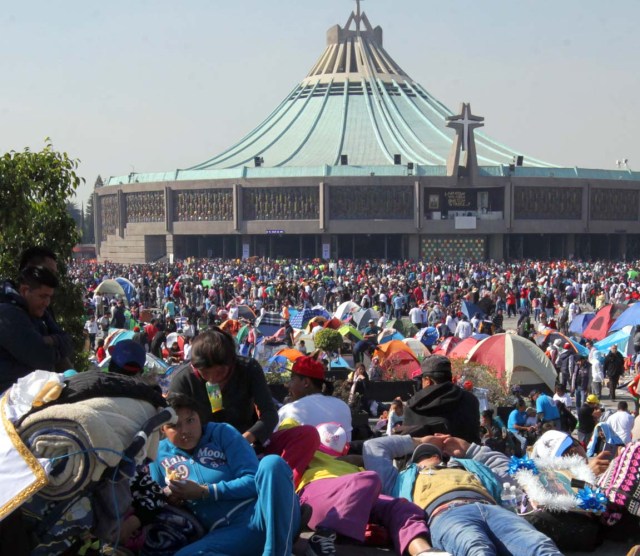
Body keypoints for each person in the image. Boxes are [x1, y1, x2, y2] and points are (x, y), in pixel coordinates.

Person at [149, 393, 300, 556]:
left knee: (272, 463)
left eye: (190, 420)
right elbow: (156, 500)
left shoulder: (222, 433)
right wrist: (172, 499)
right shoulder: (157, 454)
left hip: (266, 514)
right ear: (163, 430)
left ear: (199, 417)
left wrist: (205, 491)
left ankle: (278, 552)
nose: (185, 430)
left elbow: (253, 480)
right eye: (174, 425)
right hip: (226, 534)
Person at [362, 434, 563, 556]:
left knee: (541, 547)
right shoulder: (398, 480)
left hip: (493, 509)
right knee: (477, 550)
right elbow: (373, 447)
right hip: (446, 514)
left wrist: (469, 449)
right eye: (422, 455)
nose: (432, 456)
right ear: (412, 463)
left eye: (435, 453)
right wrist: (418, 441)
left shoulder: (470, 467)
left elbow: (508, 471)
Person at [169, 327, 278, 447]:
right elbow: (171, 423)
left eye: (220, 372)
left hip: (243, 443)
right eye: (205, 373)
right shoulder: (183, 380)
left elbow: (270, 414)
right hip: (199, 447)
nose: (212, 379)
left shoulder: (248, 369)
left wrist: (243, 440)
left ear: (232, 363)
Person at [0, 266, 72, 392]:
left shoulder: (39, 311)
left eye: (49, 297)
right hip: (10, 395)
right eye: (43, 296)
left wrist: (51, 340)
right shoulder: (8, 314)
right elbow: (42, 358)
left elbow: (68, 342)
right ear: (24, 290)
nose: (47, 302)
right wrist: (49, 346)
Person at [402, 355, 480, 443]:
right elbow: (475, 438)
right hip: (467, 454)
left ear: (427, 380)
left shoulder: (413, 405)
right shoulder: (470, 400)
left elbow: (407, 444)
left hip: (426, 455)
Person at [277, 356, 353, 440]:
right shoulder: (343, 406)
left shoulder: (288, 411)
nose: (287, 385)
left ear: (306, 382)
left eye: (292, 379)